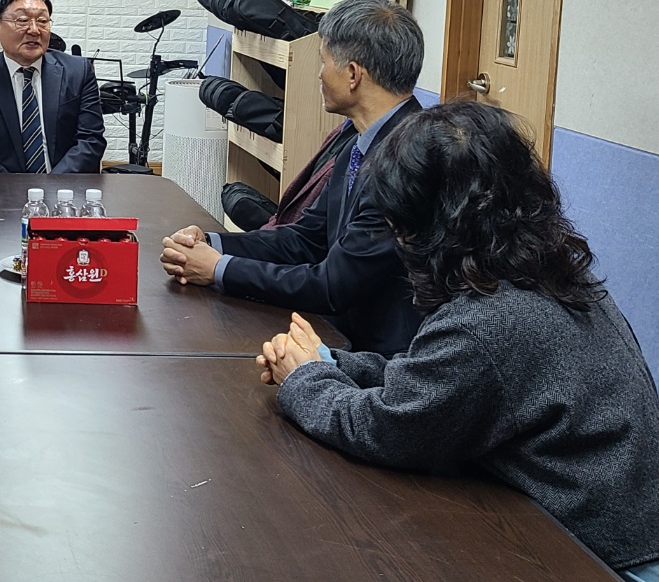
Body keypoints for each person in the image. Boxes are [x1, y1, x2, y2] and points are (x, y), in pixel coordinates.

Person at [257, 101, 659, 581]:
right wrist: (333, 363)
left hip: (599, 559)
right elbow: (449, 380)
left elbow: (385, 429)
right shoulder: (549, 274)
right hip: (629, 533)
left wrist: (305, 378)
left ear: (432, 226)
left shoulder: (486, 322)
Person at [159, 0, 424, 356]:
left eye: (324, 62)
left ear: (352, 74)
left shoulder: (409, 161)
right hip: (340, 334)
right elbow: (306, 238)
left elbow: (332, 285)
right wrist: (211, 243)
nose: (319, 74)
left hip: (382, 358)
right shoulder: (358, 140)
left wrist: (219, 269)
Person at [0, 0, 106, 173]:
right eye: (22, 20)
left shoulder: (78, 72)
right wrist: (17, 188)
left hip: (65, 186)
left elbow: (91, 140)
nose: (34, 30)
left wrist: (51, 186)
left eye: (42, 21)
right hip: (0, 189)